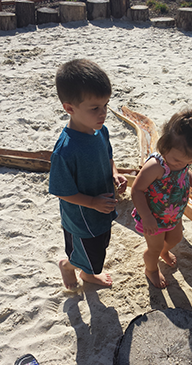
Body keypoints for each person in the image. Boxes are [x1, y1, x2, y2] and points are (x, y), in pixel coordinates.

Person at [49, 59, 127, 290]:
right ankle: (69, 266)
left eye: (105, 105)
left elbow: (109, 157)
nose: (103, 113)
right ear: (69, 108)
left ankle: (88, 271)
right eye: (95, 108)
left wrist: (115, 173)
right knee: (89, 253)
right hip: (81, 218)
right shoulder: (65, 150)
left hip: (102, 208)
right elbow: (63, 192)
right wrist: (92, 202)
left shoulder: (100, 131)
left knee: (100, 247)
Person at [131, 108, 192, 289]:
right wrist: (146, 217)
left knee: (176, 238)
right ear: (164, 146)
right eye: (177, 160)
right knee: (153, 249)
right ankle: (151, 269)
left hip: (173, 214)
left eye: (189, 160)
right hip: (153, 218)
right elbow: (137, 190)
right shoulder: (156, 166)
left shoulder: (182, 162)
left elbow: (187, 173)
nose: (181, 164)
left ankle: (164, 250)